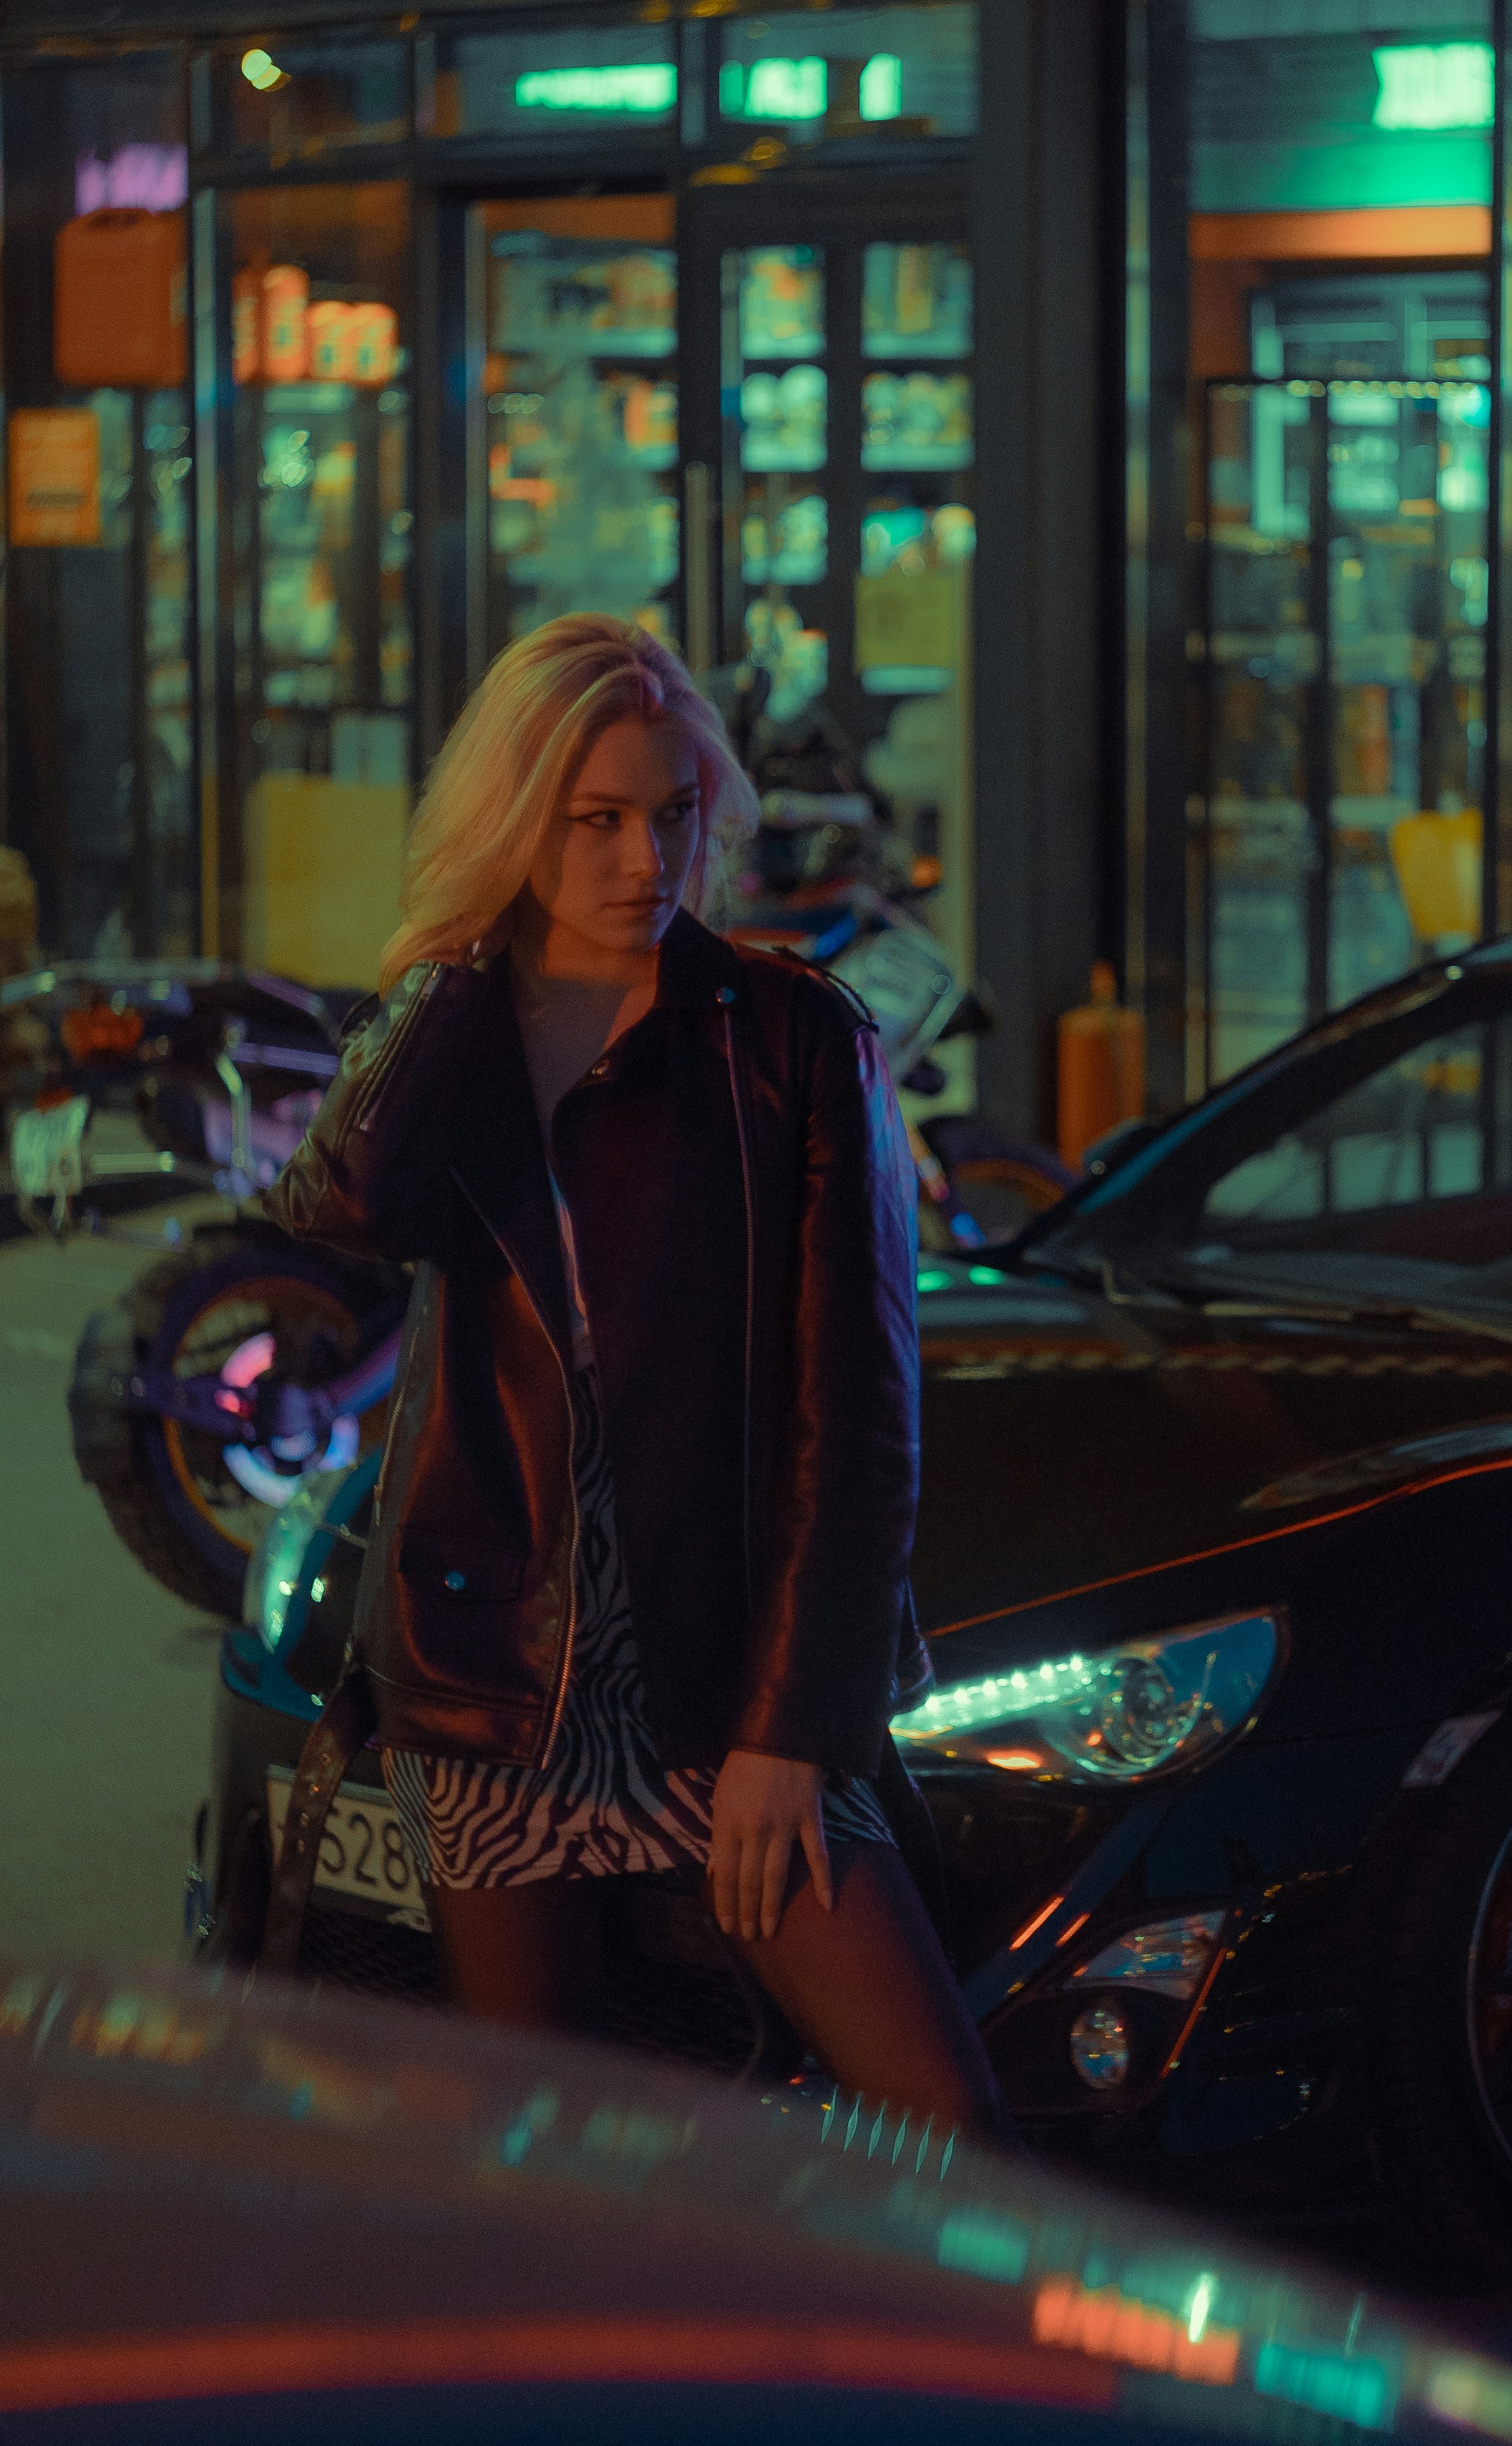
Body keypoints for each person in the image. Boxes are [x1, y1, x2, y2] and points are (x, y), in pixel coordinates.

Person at [260, 613, 1003, 2135]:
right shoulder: (453, 1035)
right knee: (544, 2150)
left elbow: (858, 1422)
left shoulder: (792, 1039)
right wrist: (458, 965)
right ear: (515, 821)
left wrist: (790, 1732)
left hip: (728, 1682)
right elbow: (338, 1203)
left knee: (947, 2122)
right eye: (591, 819)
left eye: (671, 813)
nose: (640, 861)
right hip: (493, 1687)